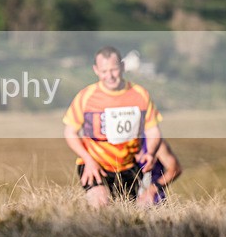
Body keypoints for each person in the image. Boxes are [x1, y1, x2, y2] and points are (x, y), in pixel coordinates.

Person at [63, 46, 164, 208]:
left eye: (114, 70)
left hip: (129, 166)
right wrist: (88, 160)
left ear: (122, 67)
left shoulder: (140, 94)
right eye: (104, 71)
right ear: (96, 70)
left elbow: (153, 130)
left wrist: (150, 153)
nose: (109, 76)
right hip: (95, 164)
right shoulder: (86, 97)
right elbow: (70, 132)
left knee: (126, 212)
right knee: (101, 204)